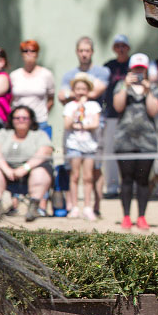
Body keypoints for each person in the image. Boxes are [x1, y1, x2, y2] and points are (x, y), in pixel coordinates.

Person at [113, 53, 158, 230]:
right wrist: (125, 86)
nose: (139, 73)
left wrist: (148, 91)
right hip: (124, 141)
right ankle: (126, 216)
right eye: (136, 69)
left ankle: (141, 216)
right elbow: (118, 106)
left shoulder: (153, 88)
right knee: (126, 179)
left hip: (146, 142)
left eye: (142, 69)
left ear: (147, 71)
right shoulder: (121, 85)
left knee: (142, 180)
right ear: (130, 70)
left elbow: (153, 111)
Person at [0, 106, 53, 223]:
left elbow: (44, 152)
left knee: (41, 171)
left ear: (31, 120)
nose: (21, 120)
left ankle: (33, 208)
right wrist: (6, 169)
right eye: (17, 118)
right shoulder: (3, 133)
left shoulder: (39, 134)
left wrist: (25, 168)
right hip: (6, 171)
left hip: (31, 170)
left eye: (24, 118)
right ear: (12, 119)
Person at [62, 73, 101, 221]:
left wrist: (82, 124)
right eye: (77, 88)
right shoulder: (70, 106)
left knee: (88, 177)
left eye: (83, 88)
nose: (80, 91)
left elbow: (95, 124)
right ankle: (74, 206)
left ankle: (87, 206)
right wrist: (77, 109)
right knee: (74, 175)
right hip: (74, 145)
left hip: (89, 146)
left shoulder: (94, 106)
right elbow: (67, 125)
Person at [102, 34, 132, 198]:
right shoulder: (108, 66)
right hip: (112, 114)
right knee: (111, 150)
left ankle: (130, 185)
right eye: (118, 46)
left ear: (128, 48)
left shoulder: (133, 65)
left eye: (124, 46)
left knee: (132, 150)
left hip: (131, 115)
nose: (121, 49)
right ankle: (112, 186)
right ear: (114, 48)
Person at [9, 39, 55, 138]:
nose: (29, 53)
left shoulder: (46, 74)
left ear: (37, 54)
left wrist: (42, 113)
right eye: (25, 51)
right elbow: (10, 100)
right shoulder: (14, 75)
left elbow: (51, 99)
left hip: (39, 122)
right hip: (19, 123)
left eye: (32, 51)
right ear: (22, 54)